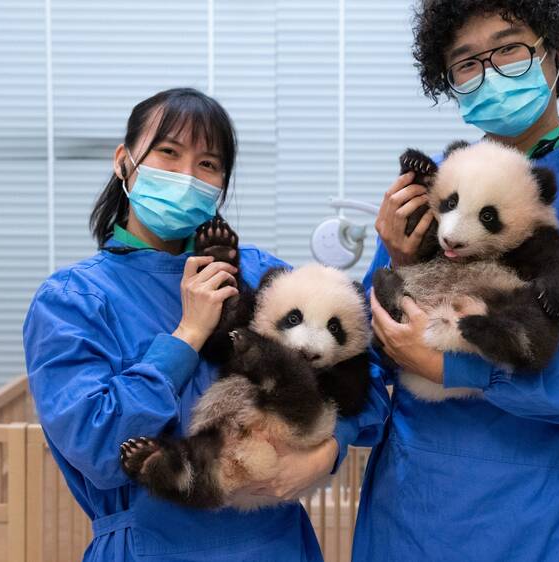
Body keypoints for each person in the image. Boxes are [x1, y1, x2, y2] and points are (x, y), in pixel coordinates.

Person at [352, 2, 559, 561]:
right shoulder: (434, 185)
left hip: (553, 507)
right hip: (416, 505)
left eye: (508, 48)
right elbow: (366, 350)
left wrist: (455, 364)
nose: (490, 71)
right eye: (468, 61)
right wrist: (401, 263)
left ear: (554, 52)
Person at [23, 88, 342, 561]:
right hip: (150, 547)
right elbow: (97, 449)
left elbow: (359, 378)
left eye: (208, 165)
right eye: (168, 153)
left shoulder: (257, 273)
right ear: (124, 162)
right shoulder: (73, 300)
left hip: (277, 542)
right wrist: (187, 336)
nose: (186, 176)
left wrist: (325, 454)